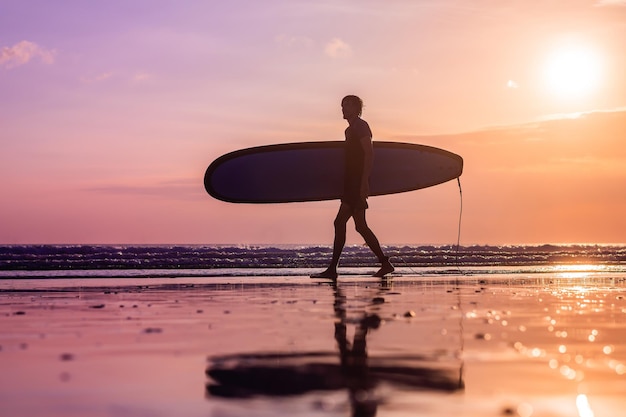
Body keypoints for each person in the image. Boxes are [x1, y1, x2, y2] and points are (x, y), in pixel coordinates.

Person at [311, 95, 394, 280]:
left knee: (341, 223)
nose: (343, 108)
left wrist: (364, 181)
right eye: (342, 105)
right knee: (360, 226)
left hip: (356, 182)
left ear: (357, 108)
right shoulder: (349, 130)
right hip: (351, 182)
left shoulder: (361, 126)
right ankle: (385, 263)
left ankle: (333, 269)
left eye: (348, 105)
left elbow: (369, 154)